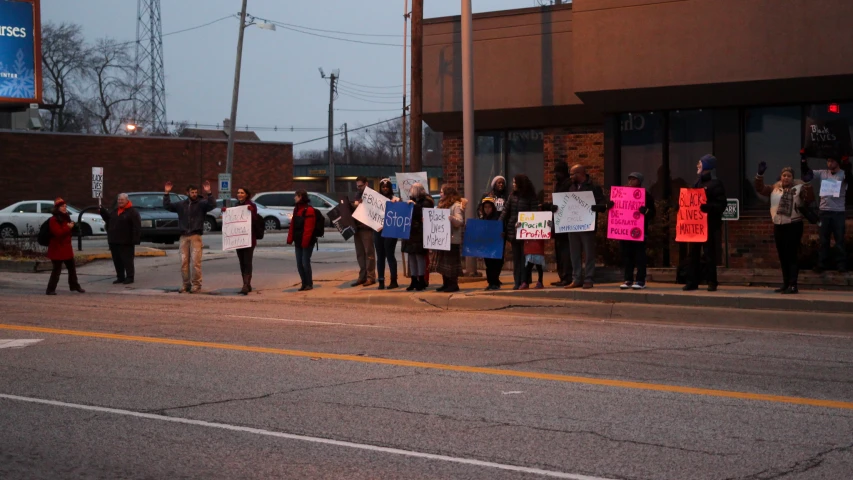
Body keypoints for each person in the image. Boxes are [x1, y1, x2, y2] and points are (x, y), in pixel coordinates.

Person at [755, 163, 814, 294]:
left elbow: (809, 199)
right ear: (780, 177)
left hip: (794, 224)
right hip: (779, 225)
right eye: (784, 175)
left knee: (792, 255)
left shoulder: (799, 188)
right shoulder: (774, 188)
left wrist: (808, 183)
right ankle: (785, 283)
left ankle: (793, 285)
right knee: (782, 256)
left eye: (789, 176)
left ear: (792, 178)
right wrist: (759, 175)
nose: (786, 178)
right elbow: (760, 189)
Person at [600, 173, 656, 290]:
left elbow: (653, 213)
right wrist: (610, 205)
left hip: (638, 231)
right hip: (625, 231)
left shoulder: (645, 195)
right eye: (629, 179)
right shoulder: (622, 194)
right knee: (627, 256)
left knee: (640, 256)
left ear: (639, 182)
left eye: (633, 179)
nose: (630, 181)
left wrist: (645, 211)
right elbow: (615, 208)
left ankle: (641, 280)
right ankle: (628, 279)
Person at [801, 150, 851, 273]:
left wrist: (847, 164)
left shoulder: (843, 174)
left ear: (837, 162)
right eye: (828, 161)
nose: (829, 163)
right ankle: (822, 263)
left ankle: (841, 264)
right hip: (824, 212)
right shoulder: (823, 173)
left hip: (838, 212)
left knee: (839, 239)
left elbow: (850, 178)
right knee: (823, 239)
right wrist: (803, 160)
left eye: (832, 161)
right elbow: (808, 172)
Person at [683, 154, 727, 292]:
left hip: (709, 225)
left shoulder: (715, 184)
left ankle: (711, 282)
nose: (697, 165)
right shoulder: (697, 183)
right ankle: (692, 281)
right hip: (696, 225)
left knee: (709, 254)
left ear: (706, 166)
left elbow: (721, 204)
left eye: (700, 163)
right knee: (693, 254)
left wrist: (709, 207)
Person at [164, 180, 216, 293]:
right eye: (192, 192)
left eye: (195, 192)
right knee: (184, 262)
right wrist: (167, 193)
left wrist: (209, 193)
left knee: (196, 262)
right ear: (187, 193)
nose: (194, 194)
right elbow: (167, 206)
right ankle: (185, 284)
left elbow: (212, 205)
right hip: (184, 236)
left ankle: (196, 285)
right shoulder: (181, 204)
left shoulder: (201, 203)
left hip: (195, 236)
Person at [567, 165, 605, 289]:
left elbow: (602, 204)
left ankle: (588, 278)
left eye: (572, 174)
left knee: (589, 254)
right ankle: (576, 278)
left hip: (587, 225)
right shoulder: (571, 187)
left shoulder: (593, 187)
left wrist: (596, 207)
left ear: (580, 173)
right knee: (574, 254)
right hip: (573, 225)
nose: (571, 177)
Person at [500, 174, 539, 290]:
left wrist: (525, 224)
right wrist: (497, 224)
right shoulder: (512, 196)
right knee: (516, 258)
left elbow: (534, 214)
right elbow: (505, 211)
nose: (513, 184)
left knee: (525, 258)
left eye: (515, 182)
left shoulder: (531, 197)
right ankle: (517, 281)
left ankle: (524, 281)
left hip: (526, 232)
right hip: (513, 231)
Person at [99, 193, 142, 285]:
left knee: (127, 260)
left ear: (127, 200)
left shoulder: (132, 212)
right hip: (114, 240)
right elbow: (109, 220)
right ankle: (120, 277)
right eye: (119, 200)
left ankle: (130, 277)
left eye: (122, 200)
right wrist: (103, 212)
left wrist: (135, 239)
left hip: (126, 240)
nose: (120, 201)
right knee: (117, 259)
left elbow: (136, 227)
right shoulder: (115, 211)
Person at [45, 198, 85, 295]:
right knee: (57, 269)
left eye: (65, 206)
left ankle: (74, 285)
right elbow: (58, 233)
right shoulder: (53, 220)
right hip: (57, 248)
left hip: (66, 247)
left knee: (72, 268)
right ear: (57, 208)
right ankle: (50, 289)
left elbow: (67, 231)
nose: (64, 208)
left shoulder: (66, 217)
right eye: (62, 206)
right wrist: (68, 227)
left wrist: (74, 227)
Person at [432, 185, 467, 293]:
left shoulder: (456, 206)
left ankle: (453, 284)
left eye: (442, 192)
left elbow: (460, 221)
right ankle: (446, 283)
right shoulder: (441, 205)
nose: (440, 194)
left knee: (451, 264)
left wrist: (452, 219)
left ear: (448, 194)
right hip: (442, 239)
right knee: (443, 264)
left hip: (452, 239)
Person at [402, 183, 434, 291]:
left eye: (412, 189)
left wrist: (414, 206)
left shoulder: (426, 202)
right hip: (411, 232)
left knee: (419, 257)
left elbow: (423, 214)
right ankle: (413, 280)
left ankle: (421, 280)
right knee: (411, 257)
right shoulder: (413, 201)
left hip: (420, 232)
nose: (410, 191)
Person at [287, 190, 317, 291]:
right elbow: (292, 225)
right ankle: (304, 283)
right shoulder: (296, 210)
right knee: (299, 263)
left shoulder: (309, 210)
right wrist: (290, 238)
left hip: (307, 242)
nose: (294, 198)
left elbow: (309, 228)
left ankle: (309, 283)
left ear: (300, 197)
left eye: (296, 196)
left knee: (305, 262)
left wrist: (305, 242)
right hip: (298, 241)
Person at [550, 161, 573, 286]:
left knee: (565, 251)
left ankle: (567, 276)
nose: (556, 174)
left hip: (566, 221)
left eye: (558, 172)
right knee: (559, 251)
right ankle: (562, 275)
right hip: (558, 220)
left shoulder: (568, 184)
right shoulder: (558, 184)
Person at [351, 176, 377, 287]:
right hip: (357, 227)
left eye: (361, 186)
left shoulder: (372, 195)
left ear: (366, 184)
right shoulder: (357, 195)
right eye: (357, 186)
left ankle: (370, 277)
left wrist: (363, 204)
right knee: (360, 253)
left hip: (367, 228)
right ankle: (362, 276)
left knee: (369, 253)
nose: (359, 188)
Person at [374, 178, 400, 290]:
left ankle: (393, 280)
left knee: (390, 255)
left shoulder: (395, 199)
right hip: (378, 229)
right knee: (380, 256)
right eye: (383, 187)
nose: (385, 189)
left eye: (387, 187)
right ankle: (380, 281)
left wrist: (396, 204)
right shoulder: (375, 200)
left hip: (390, 231)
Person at [233, 187, 258, 295]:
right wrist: (225, 213)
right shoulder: (236, 206)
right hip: (238, 239)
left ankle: (246, 285)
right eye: (238, 192)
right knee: (242, 262)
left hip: (249, 238)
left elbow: (255, 220)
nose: (239, 194)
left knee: (247, 261)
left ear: (246, 194)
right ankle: (246, 284)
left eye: (242, 193)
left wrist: (251, 212)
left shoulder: (252, 205)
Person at [479, 197, 504, 290]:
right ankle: (491, 283)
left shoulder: (498, 217)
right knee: (489, 265)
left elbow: (503, 228)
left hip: (496, 245)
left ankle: (495, 282)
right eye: (485, 207)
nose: (487, 209)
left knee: (496, 264)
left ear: (493, 207)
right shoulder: (483, 218)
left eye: (489, 207)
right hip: (487, 245)